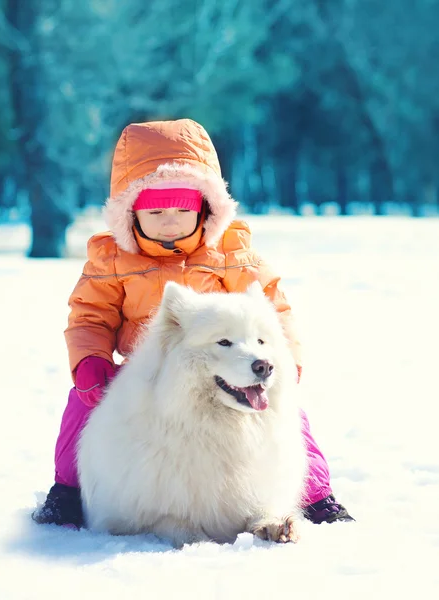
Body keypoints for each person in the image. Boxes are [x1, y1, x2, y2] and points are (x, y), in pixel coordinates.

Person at [32, 118, 354, 529]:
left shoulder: (231, 253)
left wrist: (285, 355)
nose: (170, 221)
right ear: (130, 213)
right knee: (81, 402)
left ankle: (316, 495)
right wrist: (90, 361)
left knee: (287, 410)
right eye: (157, 211)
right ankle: (68, 491)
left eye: (182, 209)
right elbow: (89, 317)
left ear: (205, 208)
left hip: (230, 359)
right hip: (142, 370)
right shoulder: (111, 260)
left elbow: (273, 311)